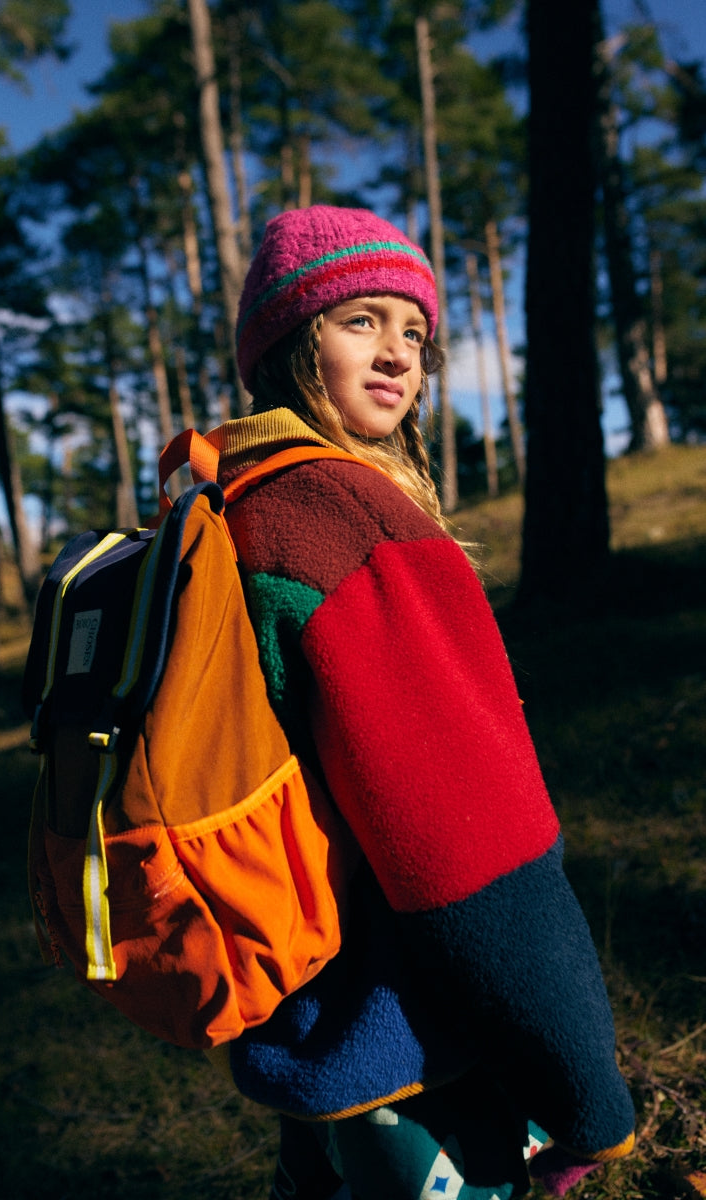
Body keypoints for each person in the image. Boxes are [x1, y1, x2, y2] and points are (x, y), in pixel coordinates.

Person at [199, 206, 635, 1199]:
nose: (397, 352)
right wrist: (583, 1095)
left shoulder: (232, 500)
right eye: (358, 320)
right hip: (413, 1041)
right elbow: (467, 843)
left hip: (307, 1023)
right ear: (289, 338)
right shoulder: (345, 521)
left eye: (413, 330)